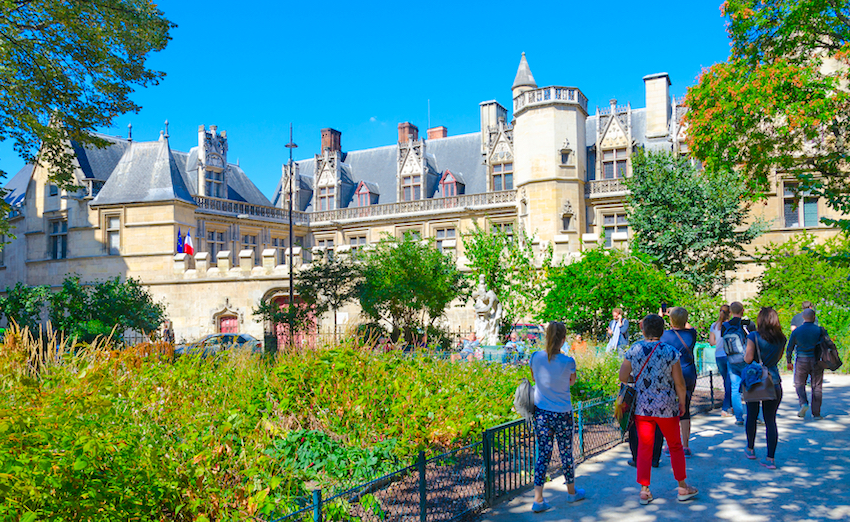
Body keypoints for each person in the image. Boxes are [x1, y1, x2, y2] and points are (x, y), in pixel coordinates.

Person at [619, 314, 698, 505]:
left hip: (643, 407)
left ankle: (645, 491)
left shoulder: (635, 349)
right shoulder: (670, 351)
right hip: (667, 406)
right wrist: (681, 402)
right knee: (675, 445)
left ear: (643, 330)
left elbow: (623, 376)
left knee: (644, 447)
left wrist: (637, 382)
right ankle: (682, 487)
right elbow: (679, 383)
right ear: (663, 331)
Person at [529, 321, 585, 512]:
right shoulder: (569, 361)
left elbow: (535, 378)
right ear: (563, 339)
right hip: (562, 413)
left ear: (546, 337)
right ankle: (571, 492)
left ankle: (538, 499)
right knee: (565, 452)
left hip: (542, 413)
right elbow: (571, 382)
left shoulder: (535, 357)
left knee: (542, 454)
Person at [744, 307, 786, 469]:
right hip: (773, 380)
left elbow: (748, 359)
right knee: (770, 420)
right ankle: (770, 458)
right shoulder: (781, 338)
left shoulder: (753, 336)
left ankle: (750, 449)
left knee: (752, 415)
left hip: (755, 380)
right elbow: (778, 358)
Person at [660, 307, 697, 456]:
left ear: (670, 320)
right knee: (685, 409)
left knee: (669, 410)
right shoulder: (691, 335)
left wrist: (667, 316)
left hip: (670, 375)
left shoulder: (665, 335)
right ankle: (686, 446)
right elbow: (689, 327)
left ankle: (671, 444)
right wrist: (681, 319)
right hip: (688, 373)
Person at [786, 308, 824, 419]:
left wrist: (789, 361)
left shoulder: (797, 331)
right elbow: (827, 345)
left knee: (799, 383)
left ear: (803, 317)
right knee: (816, 387)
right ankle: (816, 413)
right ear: (814, 317)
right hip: (817, 360)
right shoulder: (820, 330)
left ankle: (803, 403)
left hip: (801, 360)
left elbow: (790, 347)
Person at [721, 302, 753, 426]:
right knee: (750, 387)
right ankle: (753, 415)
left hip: (731, 359)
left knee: (735, 389)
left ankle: (739, 418)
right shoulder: (747, 324)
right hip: (745, 359)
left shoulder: (725, 326)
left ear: (730, 312)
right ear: (743, 310)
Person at [709, 305, 733, 417]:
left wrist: (718, 341)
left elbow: (711, 342)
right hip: (729, 355)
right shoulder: (730, 325)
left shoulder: (714, 326)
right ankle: (725, 408)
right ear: (730, 313)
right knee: (730, 382)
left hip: (718, 355)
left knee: (726, 381)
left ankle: (730, 405)